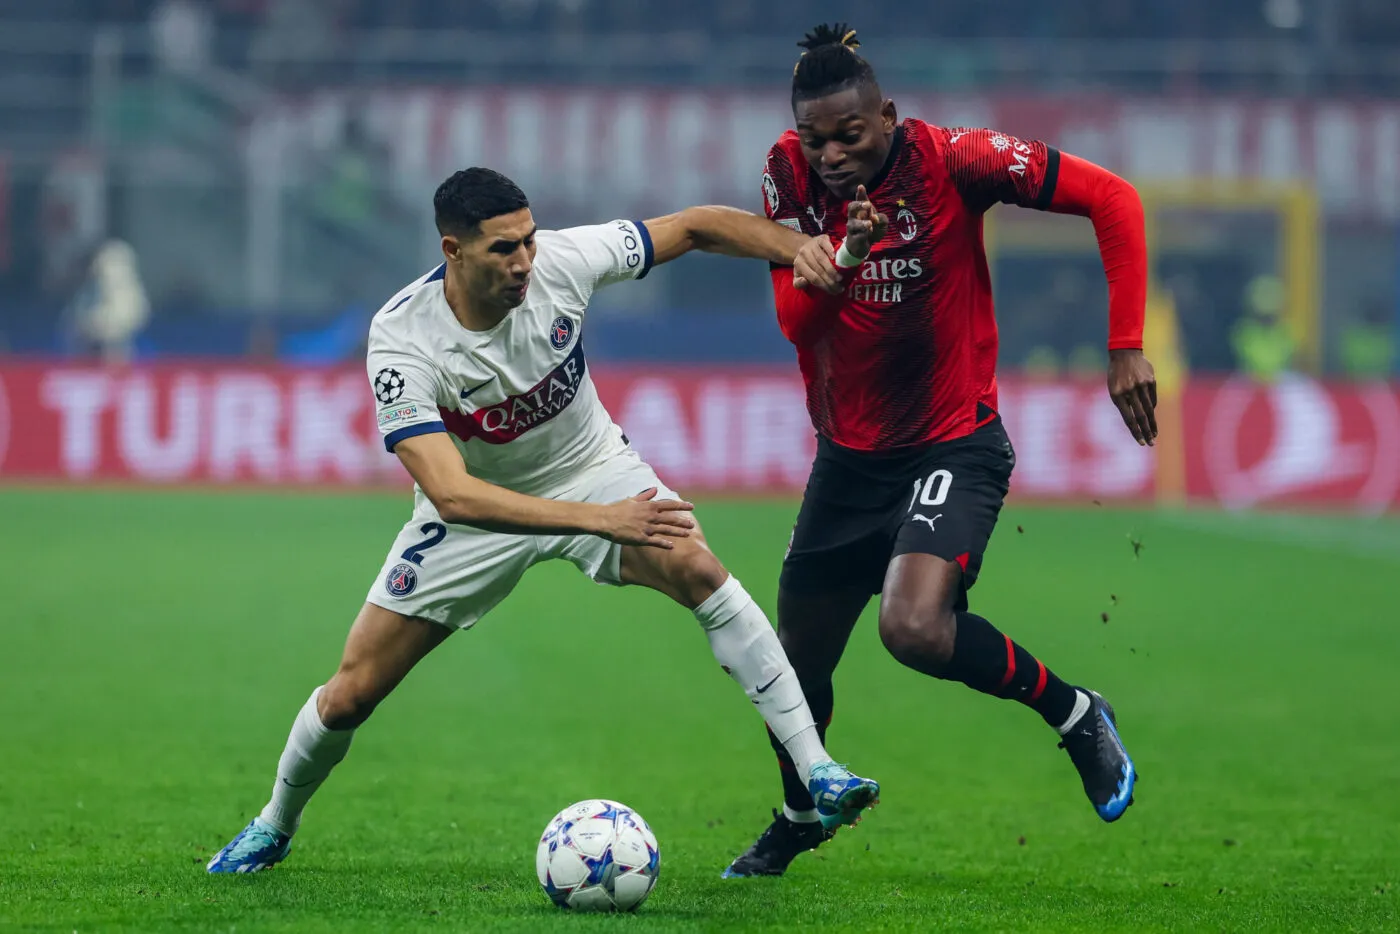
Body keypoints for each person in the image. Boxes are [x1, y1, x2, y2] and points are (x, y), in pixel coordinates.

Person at [207, 167, 877, 873]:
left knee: (697, 564)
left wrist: (805, 245)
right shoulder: (402, 340)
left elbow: (695, 226)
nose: (524, 261)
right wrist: (595, 521)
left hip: (593, 469)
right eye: (503, 249)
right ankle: (273, 824)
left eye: (527, 240)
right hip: (474, 517)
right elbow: (454, 494)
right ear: (453, 250)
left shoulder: (561, 260)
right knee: (350, 694)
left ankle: (818, 770)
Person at [724, 25, 1158, 878]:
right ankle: (802, 813)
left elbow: (1114, 199)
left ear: (886, 114)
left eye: (851, 132)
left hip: (953, 444)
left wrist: (1126, 343)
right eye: (817, 139)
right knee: (792, 666)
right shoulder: (785, 176)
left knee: (913, 627)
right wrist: (841, 259)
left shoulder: (956, 160)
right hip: (846, 459)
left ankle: (1075, 714)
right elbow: (794, 324)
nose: (834, 153)